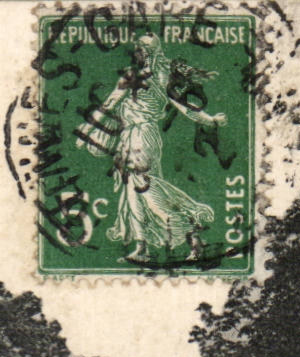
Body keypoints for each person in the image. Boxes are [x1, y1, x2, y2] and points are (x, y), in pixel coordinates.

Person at [76, 34, 226, 264]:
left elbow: (111, 103)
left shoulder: (146, 76)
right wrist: (211, 120)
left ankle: (189, 228)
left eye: (138, 49)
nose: (135, 52)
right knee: (133, 191)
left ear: (145, 52)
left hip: (140, 136)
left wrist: (87, 129)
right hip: (136, 137)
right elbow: (185, 106)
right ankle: (143, 246)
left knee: (143, 187)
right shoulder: (152, 75)